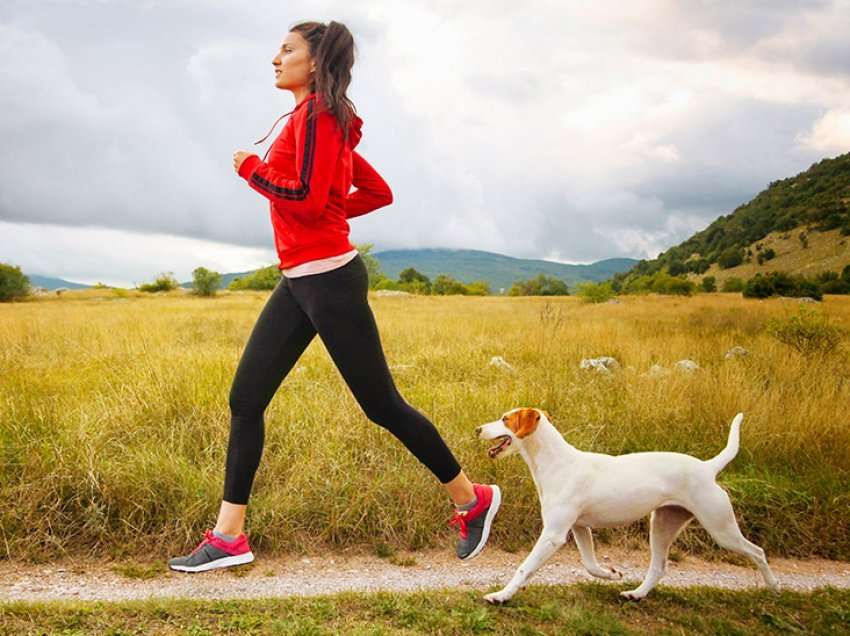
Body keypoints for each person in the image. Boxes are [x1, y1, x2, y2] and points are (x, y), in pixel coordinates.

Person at [168, 20, 501, 573]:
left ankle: (473, 500)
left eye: (287, 50)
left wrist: (251, 169)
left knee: (382, 406)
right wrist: (324, 208)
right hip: (299, 278)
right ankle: (229, 537)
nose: (275, 58)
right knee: (246, 399)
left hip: (330, 280)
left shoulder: (321, 119)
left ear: (315, 63)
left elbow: (301, 195)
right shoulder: (319, 122)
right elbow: (368, 192)